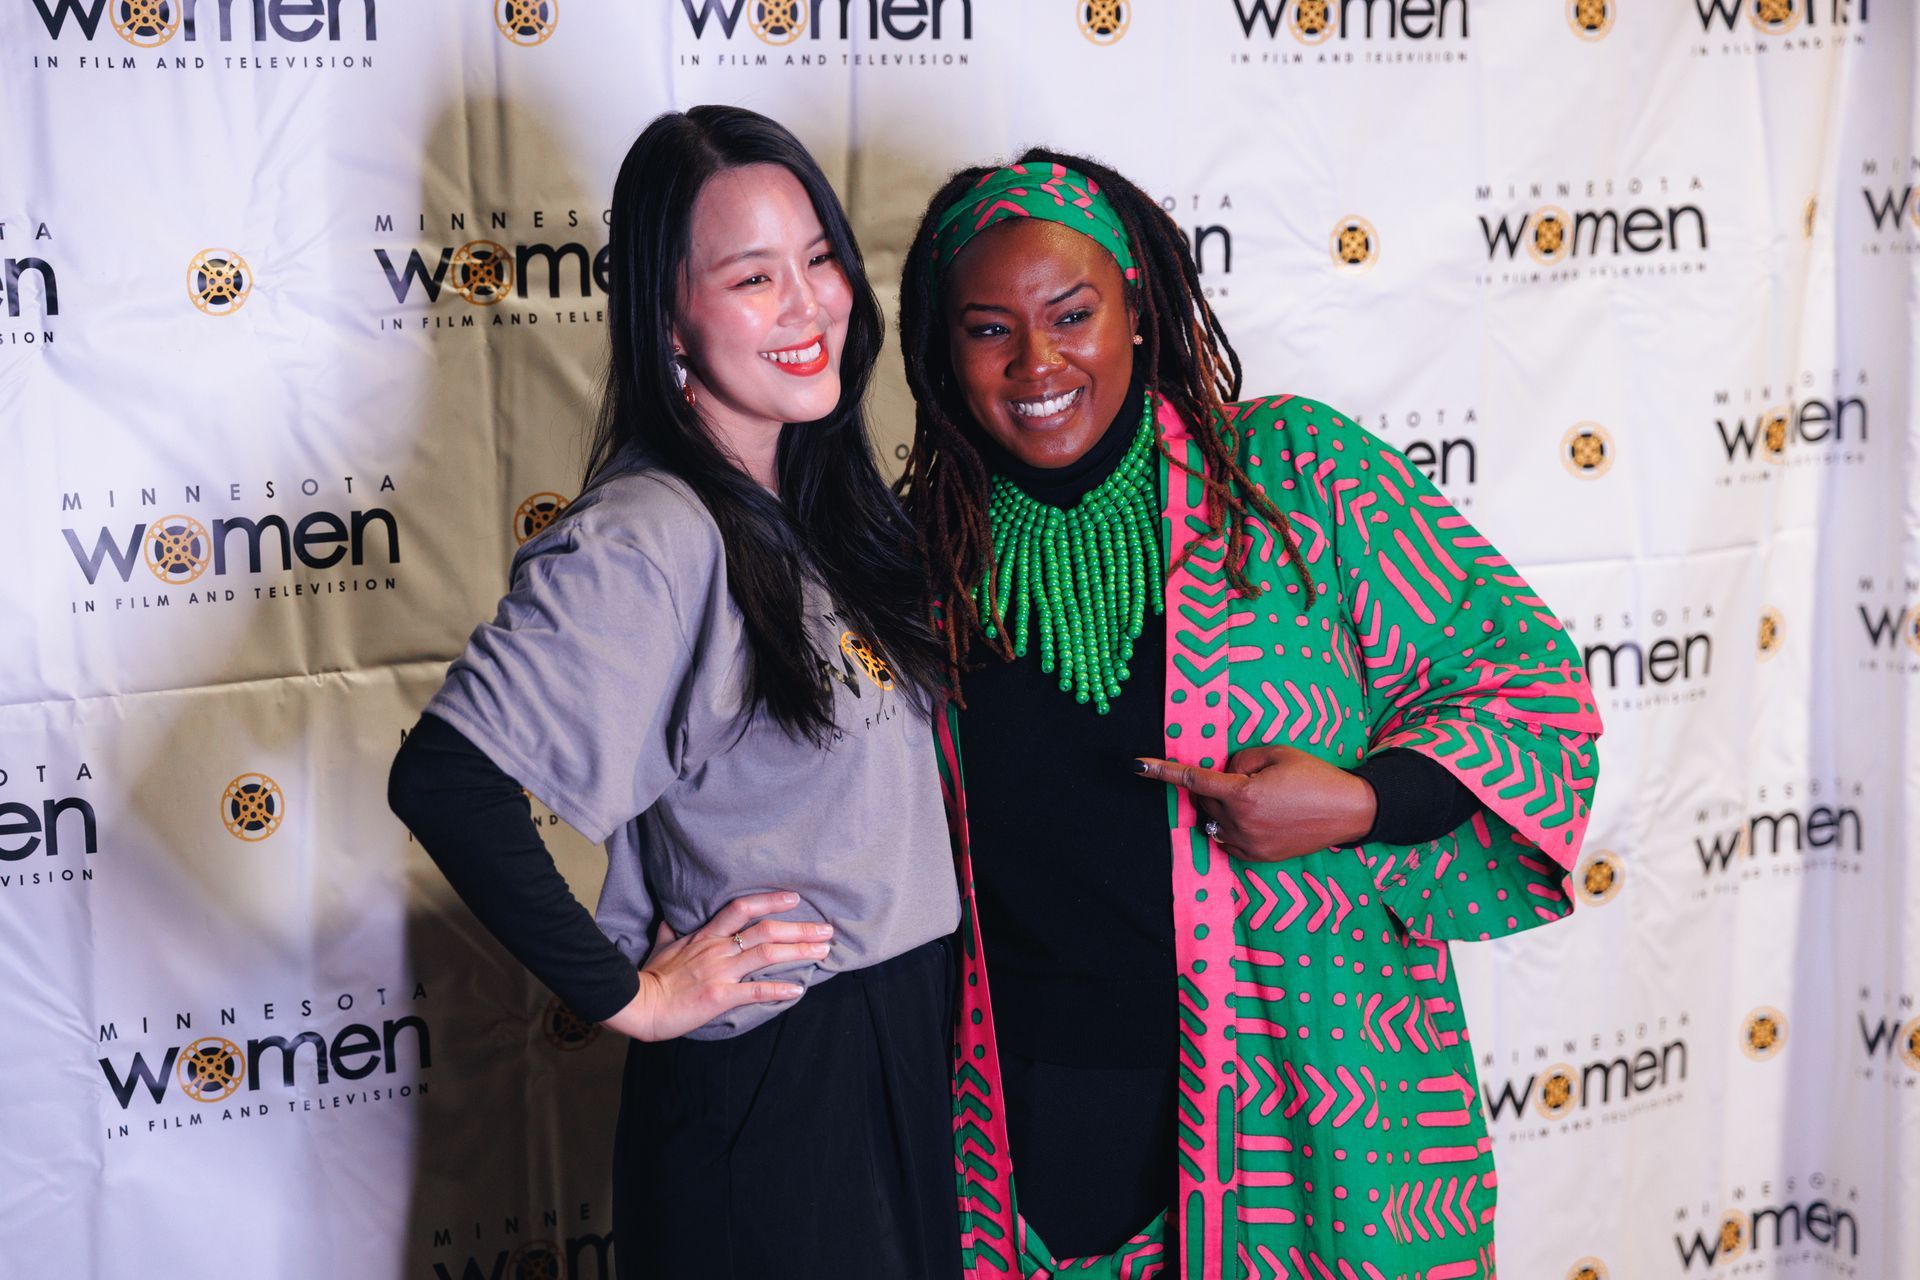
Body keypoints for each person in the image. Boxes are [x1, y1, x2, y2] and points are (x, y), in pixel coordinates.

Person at [894, 151, 1604, 1277]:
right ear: (944, 347)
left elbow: (1526, 684)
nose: (1037, 360)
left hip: (1317, 1106)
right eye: (988, 329)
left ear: (1138, 306)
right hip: (1032, 1132)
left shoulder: (1291, 476)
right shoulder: (921, 554)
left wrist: (1364, 801)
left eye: (1072, 313)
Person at [386, 106, 961, 1280]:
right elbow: (446, 777)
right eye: (754, 277)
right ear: (669, 321)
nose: (809, 307)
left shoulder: (813, 497)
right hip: (781, 1099)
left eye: (819, 259)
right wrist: (631, 996)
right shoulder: (649, 532)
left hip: (897, 1057)